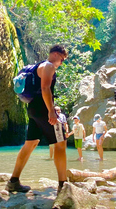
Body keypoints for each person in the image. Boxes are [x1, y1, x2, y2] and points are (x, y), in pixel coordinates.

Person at [6, 45, 68, 194]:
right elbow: (46, 89)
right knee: (60, 143)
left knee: (30, 143)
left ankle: (13, 181)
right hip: (43, 109)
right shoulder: (48, 66)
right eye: (62, 59)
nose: (61, 63)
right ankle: (63, 185)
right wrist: (51, 111)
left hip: (33, 108)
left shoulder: (36, 66)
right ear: (55, 54)